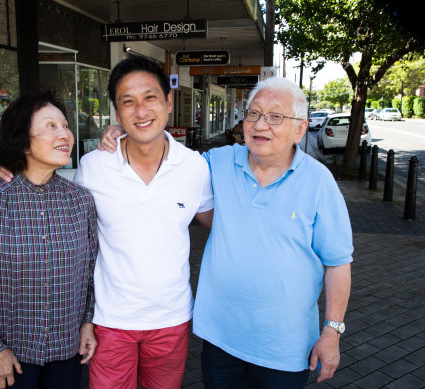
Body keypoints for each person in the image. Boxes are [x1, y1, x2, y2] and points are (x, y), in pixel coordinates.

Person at [99, 77, 352, 387]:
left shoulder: (318, 181)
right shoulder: (216, 163)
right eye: (254, 113)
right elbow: (165, 158)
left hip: (284, 346)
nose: (261, 125)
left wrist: (332, 330)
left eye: (276, 117)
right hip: (221, 338)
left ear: (300, 129)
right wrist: (123, 134)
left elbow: (338, 263)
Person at [0, 57, 214, 388]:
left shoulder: (195, 167)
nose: (140, 111)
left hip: (172, 317)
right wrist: (9, 172)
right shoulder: (93, 166)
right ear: (117, 112)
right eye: (128, 102)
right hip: (109, 320)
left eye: (150, 98)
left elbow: (218, 222)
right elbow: (54, 199)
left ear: (168, 102)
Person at [0, 90, 98, 389]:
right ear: (22, 140)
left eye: (66, 125)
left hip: (66, 350)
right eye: (51, 126)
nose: (66, 134)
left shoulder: (80, 200)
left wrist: (88, 322)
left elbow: (91, 273)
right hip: (10, 355)